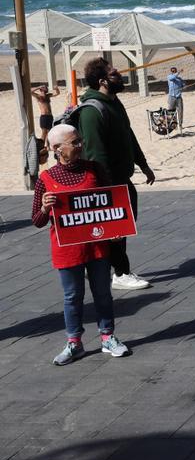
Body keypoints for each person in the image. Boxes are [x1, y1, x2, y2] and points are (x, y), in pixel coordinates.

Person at [32, 124, 130, 365]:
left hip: (97, 246)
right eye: (74, 143)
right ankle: (74, 343)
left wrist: (117, 230)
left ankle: (108, 336)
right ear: (56, 149)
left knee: (103, 293)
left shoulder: (94, 170)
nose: (80, 145)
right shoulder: (45, 179)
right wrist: (45, 207)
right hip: (66, 250)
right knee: (72, 296)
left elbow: (113, 203)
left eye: (79, 141)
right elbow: (37, 220)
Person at [75, 58, 154, 291]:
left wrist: (143, 164)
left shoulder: (114, 102)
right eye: (113, 73)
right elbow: (96, 154)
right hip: (107, 182)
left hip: (122, 177)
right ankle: (120, 273)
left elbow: (128, 135)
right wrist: (108, 189)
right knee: (116, 227)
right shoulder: (91, 111)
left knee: (124, 225)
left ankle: (101, 266)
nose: (119, 74)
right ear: (102, 82)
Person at [32, 84, 59, 164]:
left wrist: (56, 88)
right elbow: (30, 91)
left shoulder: (48, 96)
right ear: (41, 90)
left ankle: (47, 146)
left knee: (49, 131)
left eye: (46, 88)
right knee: (44, 132)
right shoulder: (38, 96)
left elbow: (57, 93)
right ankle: (41, 146)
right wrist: (37, 87)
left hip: (50, 116)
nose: (45, 89)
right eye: (44, 88)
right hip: (43, 116)